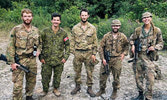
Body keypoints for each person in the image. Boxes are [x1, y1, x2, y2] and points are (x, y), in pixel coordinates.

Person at [6, 8, 41, 100]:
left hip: (32, 60)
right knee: (18, 85)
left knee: (31, 81)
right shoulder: (16, 29)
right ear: (22, 17)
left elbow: (40, 43)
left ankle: (29, 96)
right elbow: (10, 46)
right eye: (25, 16)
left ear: (32, 17)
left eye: (29, 16)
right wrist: (12, 62)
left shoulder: (36, 30)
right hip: (20, 60)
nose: (27, 18)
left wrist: (39, 50)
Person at [129, 12, 164, 100]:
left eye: (148, 17)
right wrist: (132, 45)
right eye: (144, 18)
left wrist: (155, 47)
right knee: (138, 77)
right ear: (142, 20)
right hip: (139, 56)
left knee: (150, 78)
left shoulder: (156, 30)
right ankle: (140, 94)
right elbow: (131, 39)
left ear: (151, 18)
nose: (146, 19)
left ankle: (148, 96)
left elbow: (161, 43)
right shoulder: (138, 30)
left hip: (149, 57)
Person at [96, 19, 129, 99]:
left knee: (116, 77)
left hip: (117, 59)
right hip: (107, 59)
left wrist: (123, 54)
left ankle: (115, 90)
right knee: (103, 76)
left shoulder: (123, 36)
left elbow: (127, 46)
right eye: (114, 25)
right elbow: (101, 47)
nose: (115, 27)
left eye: (117, 26)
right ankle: (102, 89)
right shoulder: (106, 36)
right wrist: (103, 58)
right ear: (111, 26)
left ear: (119, 26)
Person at [39, 12, 70, 97]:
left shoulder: (63, 33)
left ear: (60, 21)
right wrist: (40, 57)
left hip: (59, 60)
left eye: (58, 20)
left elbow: (67, 46)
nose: (56, 21)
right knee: (45, 76)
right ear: (51, 21)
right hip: (46, 59)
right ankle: (45, 90)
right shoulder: (44, 32)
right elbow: (39, 44)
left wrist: (65, 57)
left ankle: (55, 89)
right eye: (54, 20)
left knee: (57, 77)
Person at [70, 8, 98, 97]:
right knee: (77, 71)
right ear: (80, 16)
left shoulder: (92, 28)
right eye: (82, 15)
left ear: (88, 16)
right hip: (78, 52)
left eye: (85, 15)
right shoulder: (75, 28)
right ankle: (77, 86)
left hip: (89, 53)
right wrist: (73, 51)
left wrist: (94, 53)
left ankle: (89, 88)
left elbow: (95, 42)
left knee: (90, 71)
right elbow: (72, 40)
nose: (84, 17)